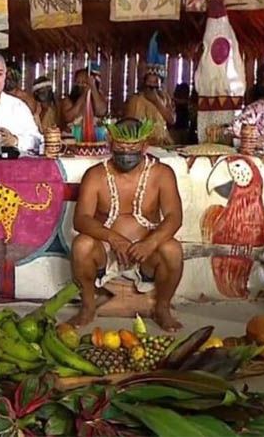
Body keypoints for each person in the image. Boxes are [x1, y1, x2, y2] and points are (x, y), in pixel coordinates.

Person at [69, 119, 184, 331]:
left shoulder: (161, 173)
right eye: (120, 148)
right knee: (81, 244)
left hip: (147, 252)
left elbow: (174, 217)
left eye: (132, 148)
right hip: (106, 251)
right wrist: (113, 238)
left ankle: (162, 307)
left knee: (172, 249)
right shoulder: (96, 174)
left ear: (144, 145)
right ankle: (87, 305)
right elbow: (81, 219)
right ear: (110, 144)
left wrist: (150, 243)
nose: (126, 154)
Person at [123, 74, 175, 146]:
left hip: (162, 142)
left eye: (156, 81)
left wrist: (157, 101)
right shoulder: (135, 99)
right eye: (150, 81)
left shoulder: (165, 97)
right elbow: (129, 124)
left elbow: (172, 120)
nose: (152, 85)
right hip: (142, 143)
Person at [60, 67, 107, 131]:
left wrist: (93, 88)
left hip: (93, 136)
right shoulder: (68, 100)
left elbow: (101, 112)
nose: (81, 85)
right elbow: (68, 117)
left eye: (84, 82)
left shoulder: (97, 97)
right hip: (72, 136)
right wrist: (84, 95)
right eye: (78, 82)